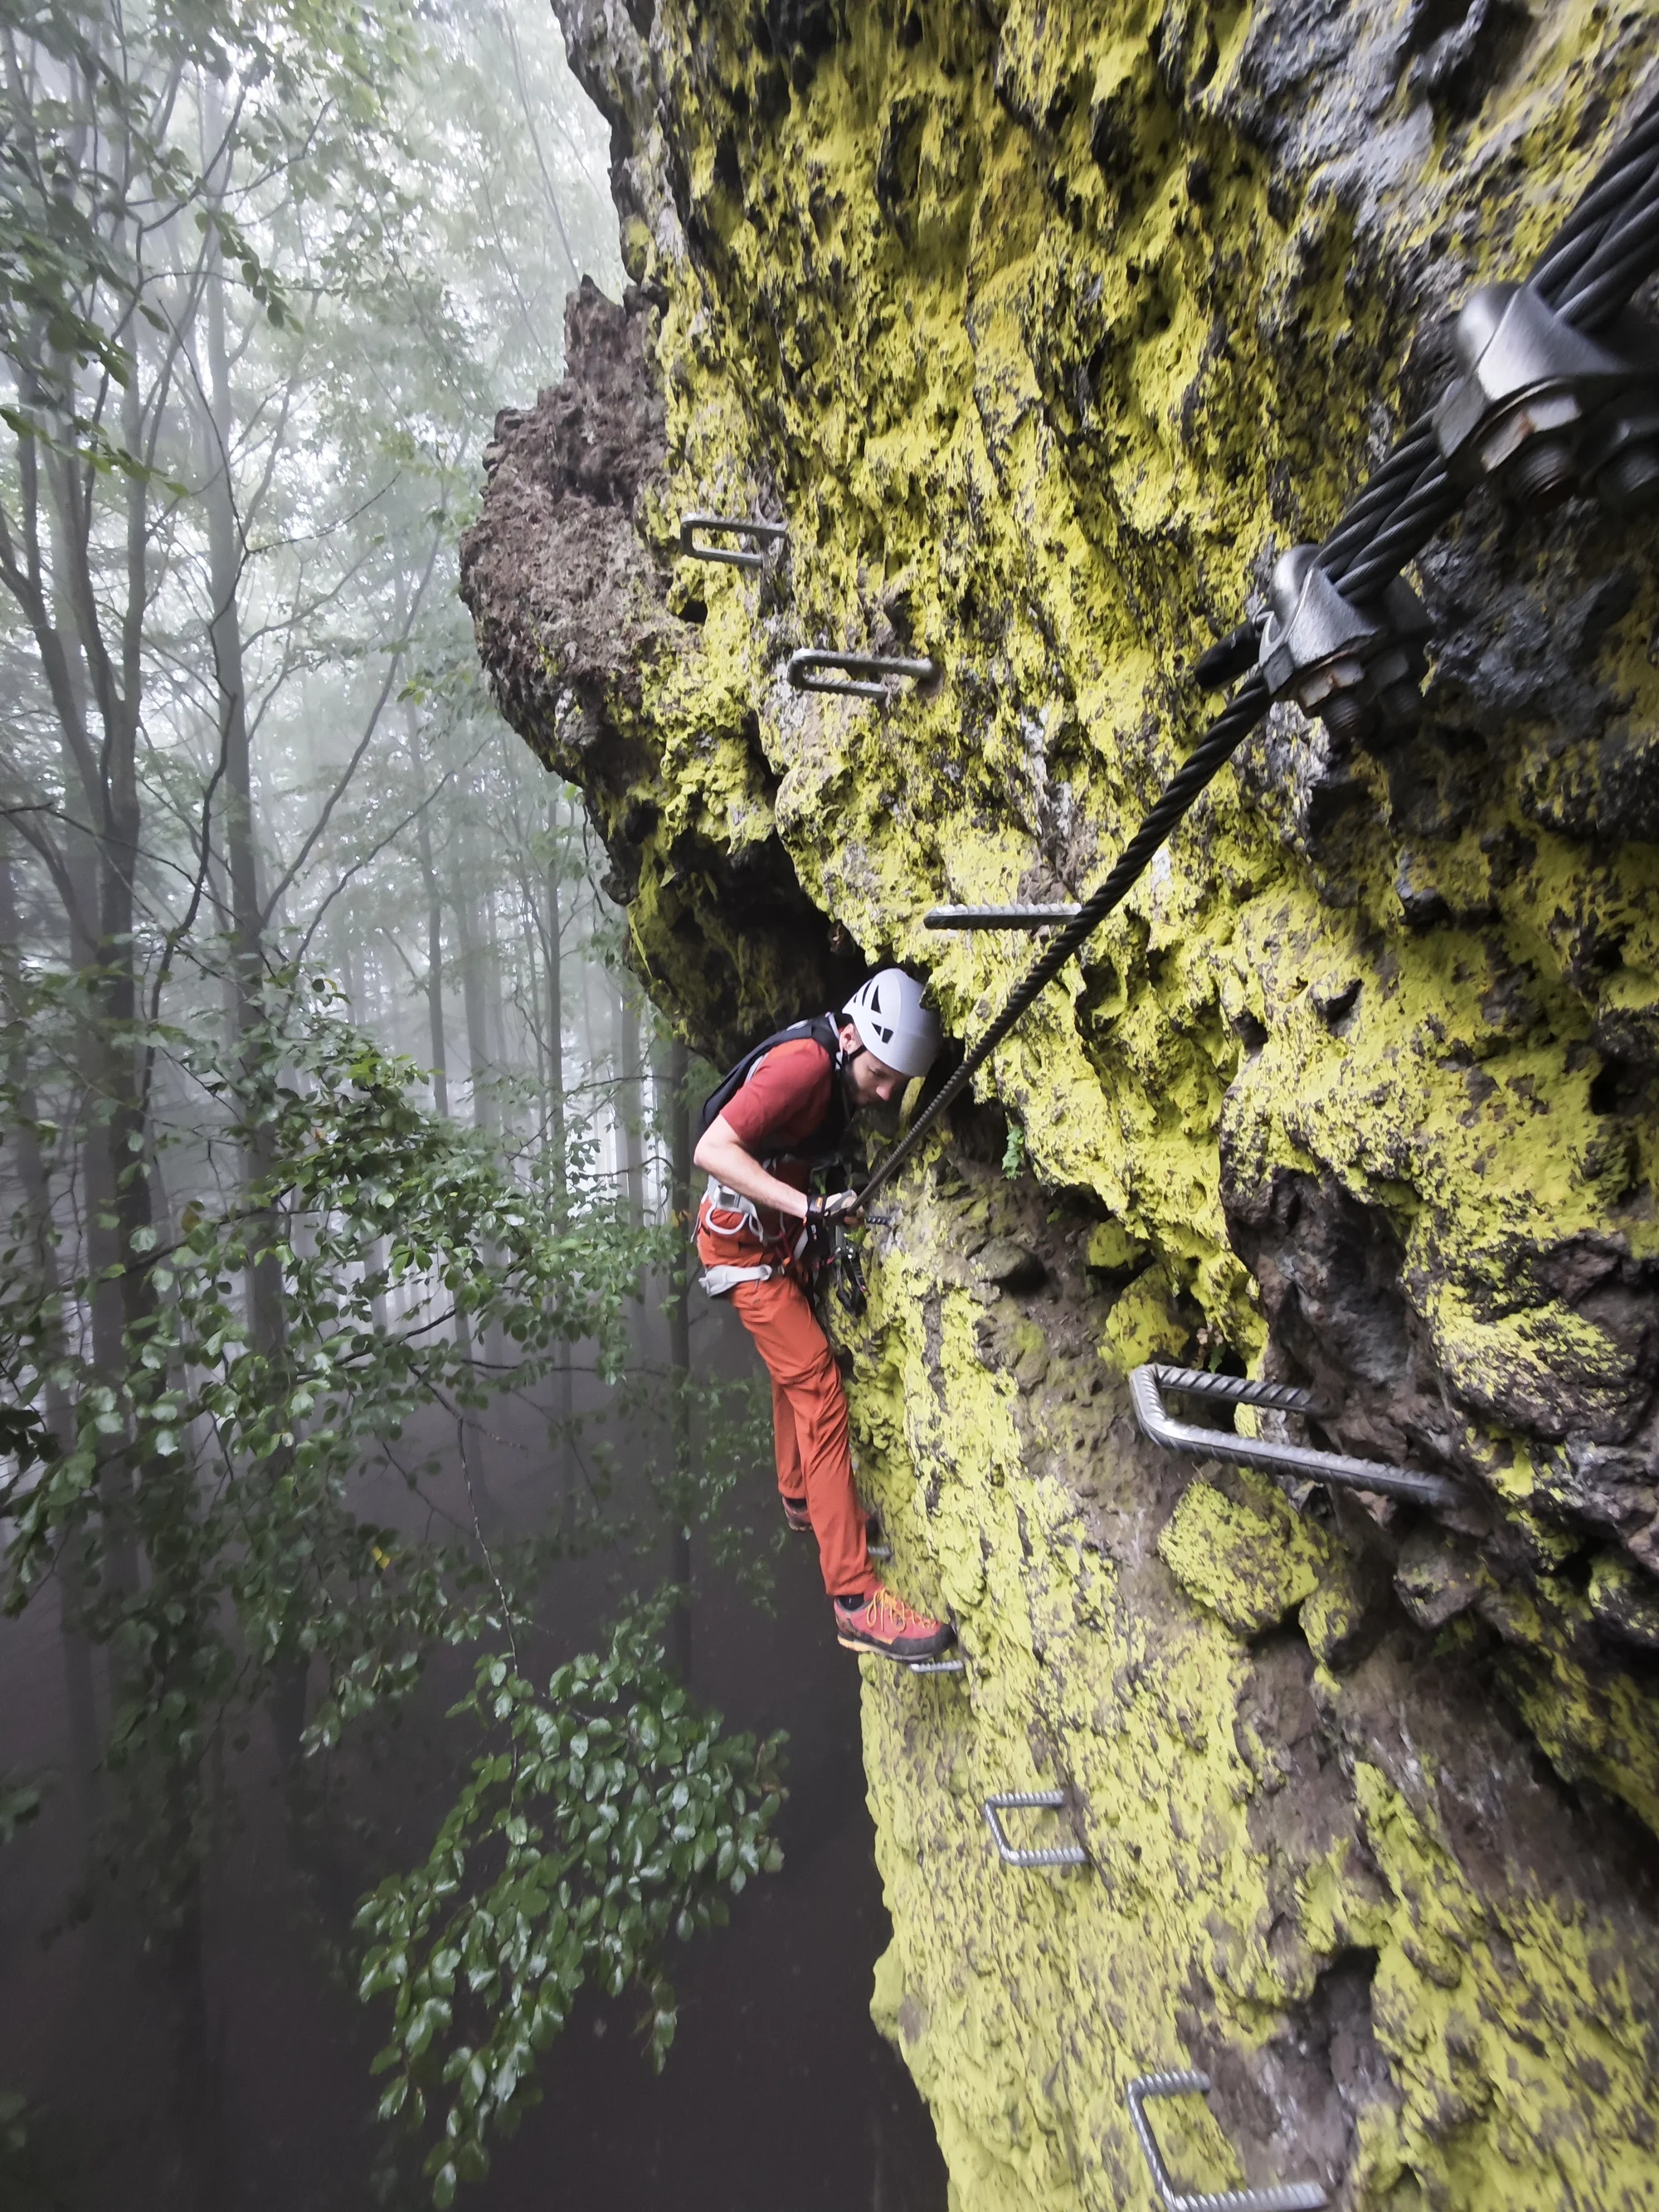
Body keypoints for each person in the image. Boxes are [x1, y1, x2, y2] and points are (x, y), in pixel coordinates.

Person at [692, 970, 955, 1663]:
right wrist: (807, 1210)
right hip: (741, 1247)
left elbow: (797, 1154)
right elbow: (711, 1150)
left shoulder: (841, 1077)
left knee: (799, 1361)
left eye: (900, 1080)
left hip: (773, 1241)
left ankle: (802, 1499)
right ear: (851, 1037)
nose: (889, 1093)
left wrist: (808, 1220)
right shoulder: (802, 1067)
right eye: (882, 1073)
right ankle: (855, 1597)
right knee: (818, 1386)